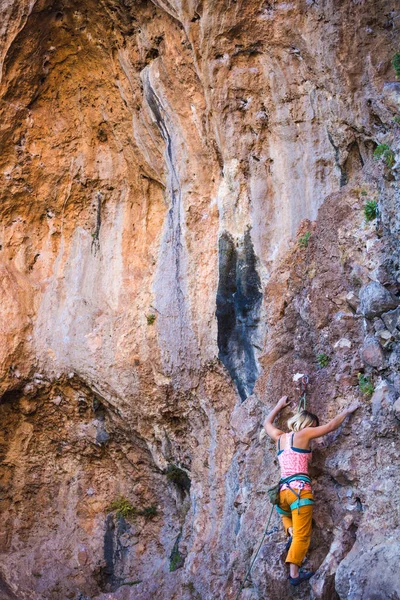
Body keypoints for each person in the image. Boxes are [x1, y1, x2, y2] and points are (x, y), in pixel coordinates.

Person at [264, 395, 359, 586]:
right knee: (303, 534)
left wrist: (278, 405)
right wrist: (348, 411)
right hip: (299, 491)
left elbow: (266, 422)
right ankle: (294, 574)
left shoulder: (280, 438)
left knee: (287, 517)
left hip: (281, 494)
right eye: (313, 427)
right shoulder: (305, 434)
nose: (314, 434)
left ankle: (290, 531)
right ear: (308, 425)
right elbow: (332, 425)